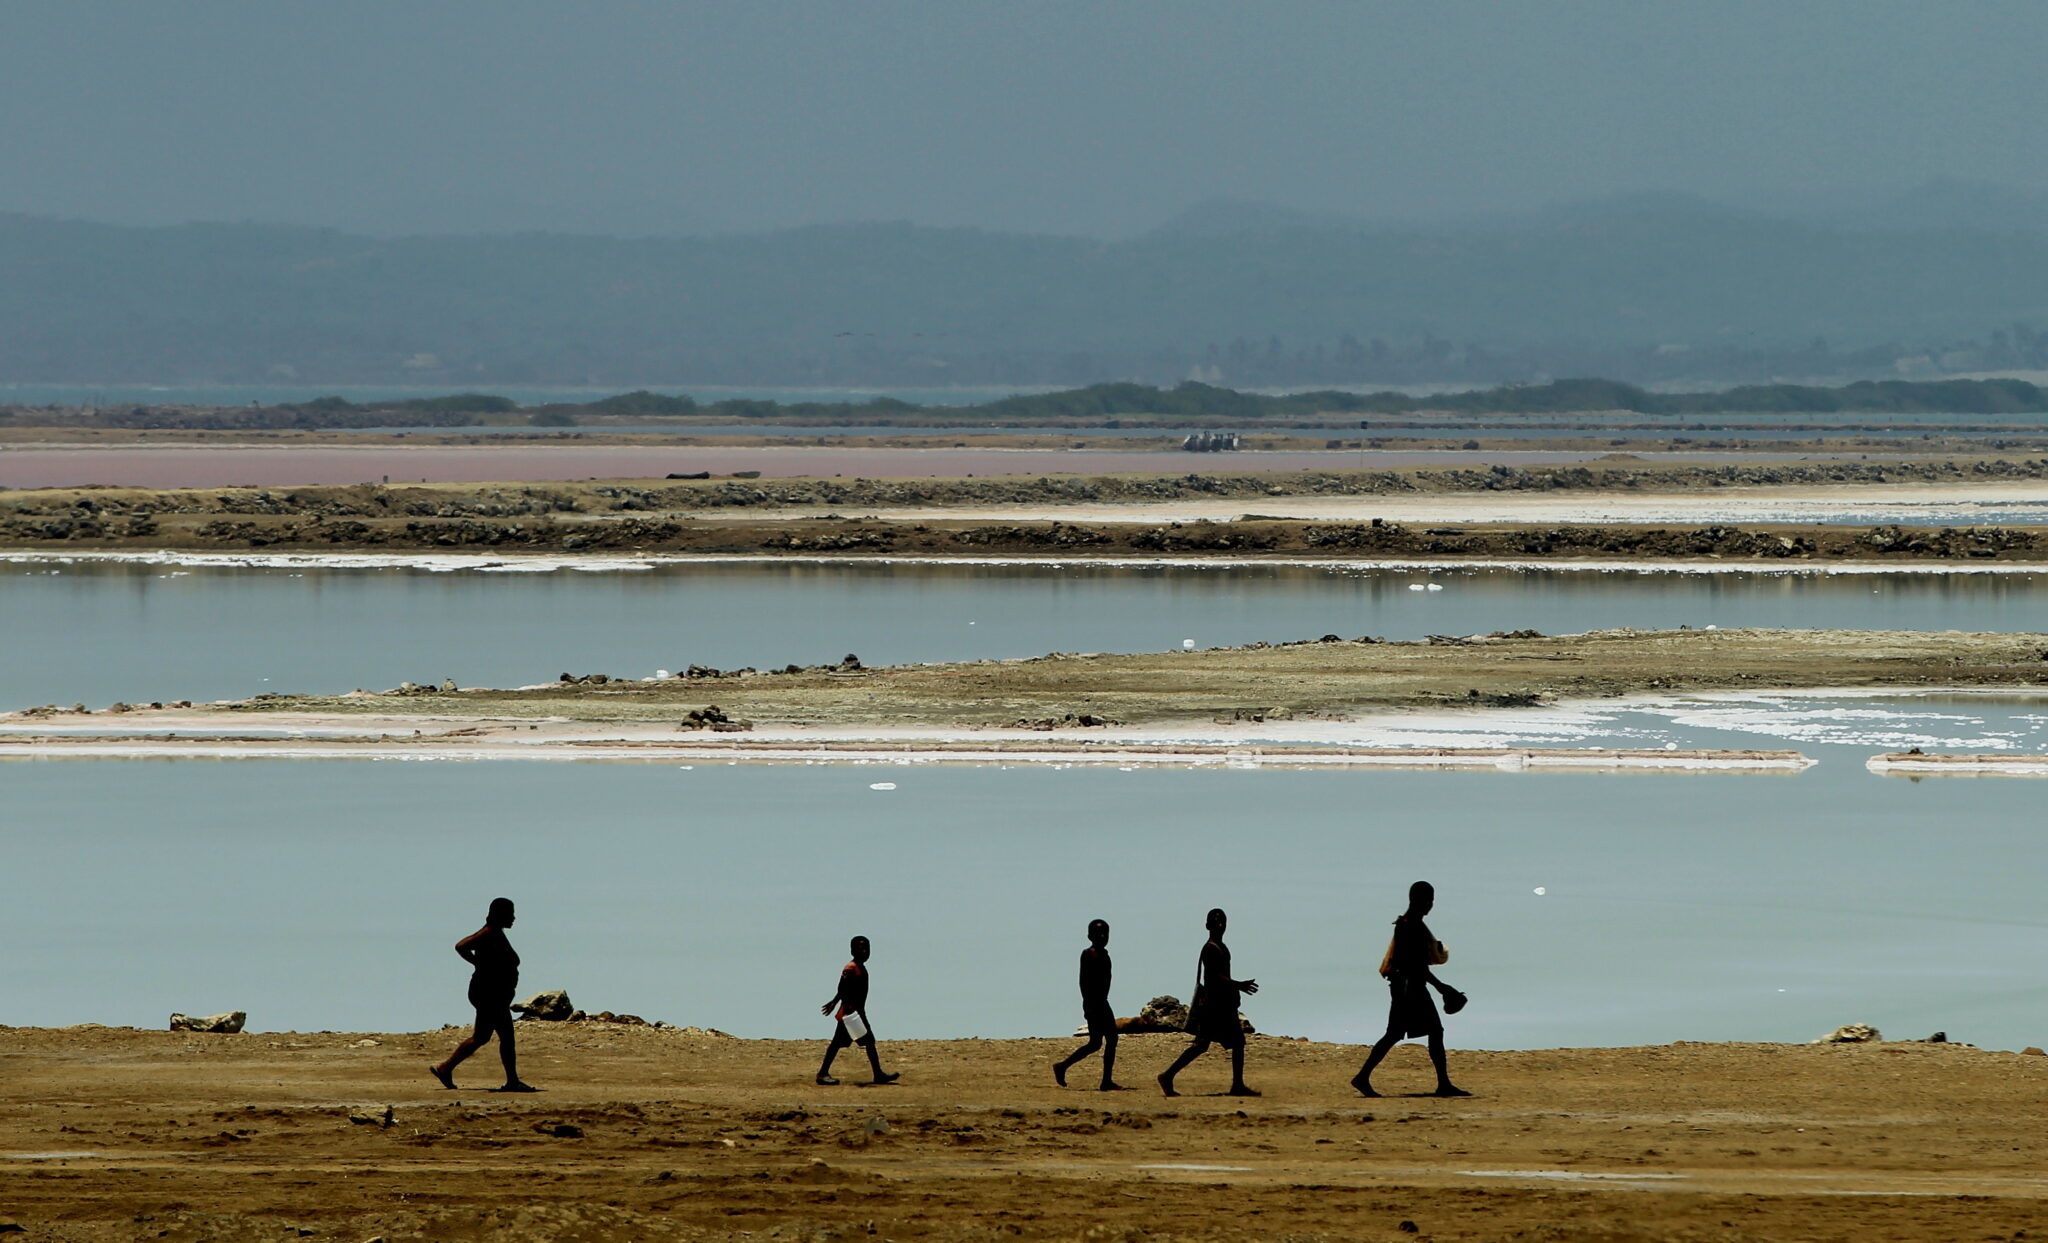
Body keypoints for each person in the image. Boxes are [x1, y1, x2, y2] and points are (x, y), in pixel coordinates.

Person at [1352, 880, 1469, 1098]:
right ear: (1421, 900)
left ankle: (1363, 1077)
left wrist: (1440, 988)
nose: (1431, 904)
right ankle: (1442, 1084)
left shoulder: (1408, 924)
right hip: (1409, 987)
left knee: (1397, 1033)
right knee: (1430, 1031)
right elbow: (1415, 965)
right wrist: (1442, 988)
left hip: (1405, 985)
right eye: (1429, 900)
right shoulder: (1411, 926)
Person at [430, 897, 537, 1092]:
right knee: (506, 1036)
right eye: (510, 913)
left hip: (493, 994)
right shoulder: (488, 933)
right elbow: (461, 946)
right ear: (500, 915)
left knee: (481, 1037)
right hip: (489, 994)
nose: (514, 917)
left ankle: (445, 1067)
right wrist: (479, 964)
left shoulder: (496, 933)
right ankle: (512, 1081)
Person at [1158, 907, 1259, 1097]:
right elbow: (1214, 977)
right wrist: (1238, 985)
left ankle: (1236, 1084)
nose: (1220, 925)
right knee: (1207, 1044)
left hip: (1221, 1004)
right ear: (1208, 926)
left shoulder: (1219, 946)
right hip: (1215, 1006)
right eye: (1216, 922)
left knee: (1231, 1042)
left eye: (1223, 922)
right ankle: (1168, 1075)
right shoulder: (1211, 948)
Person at [1054, 918, 1128, 1090]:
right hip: (1095, 1003)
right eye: (1098, 933)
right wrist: (1088, 1004)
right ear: (1090, 936)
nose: (1102, 936)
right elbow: (1084, 982)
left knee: (1100, 1042)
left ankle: (1065, 1067)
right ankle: (1103, 1080)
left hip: (1102, 1002)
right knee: (1103, 1041)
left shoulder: (1105, 954)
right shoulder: (1088, 954)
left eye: (1105, 933)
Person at [817, 935, 900, 1086]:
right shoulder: (851, 968)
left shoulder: (859, 967)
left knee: (866, 1042)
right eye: (860, 948)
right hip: (851, 1013)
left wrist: (836, 1002)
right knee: (846, 1042)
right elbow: (843, 987)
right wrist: (842, 1005)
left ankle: (878, 1074)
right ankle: (822, 1074)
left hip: (856, 1013)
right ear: (852, 950)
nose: (864, 951)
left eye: (867, 948)